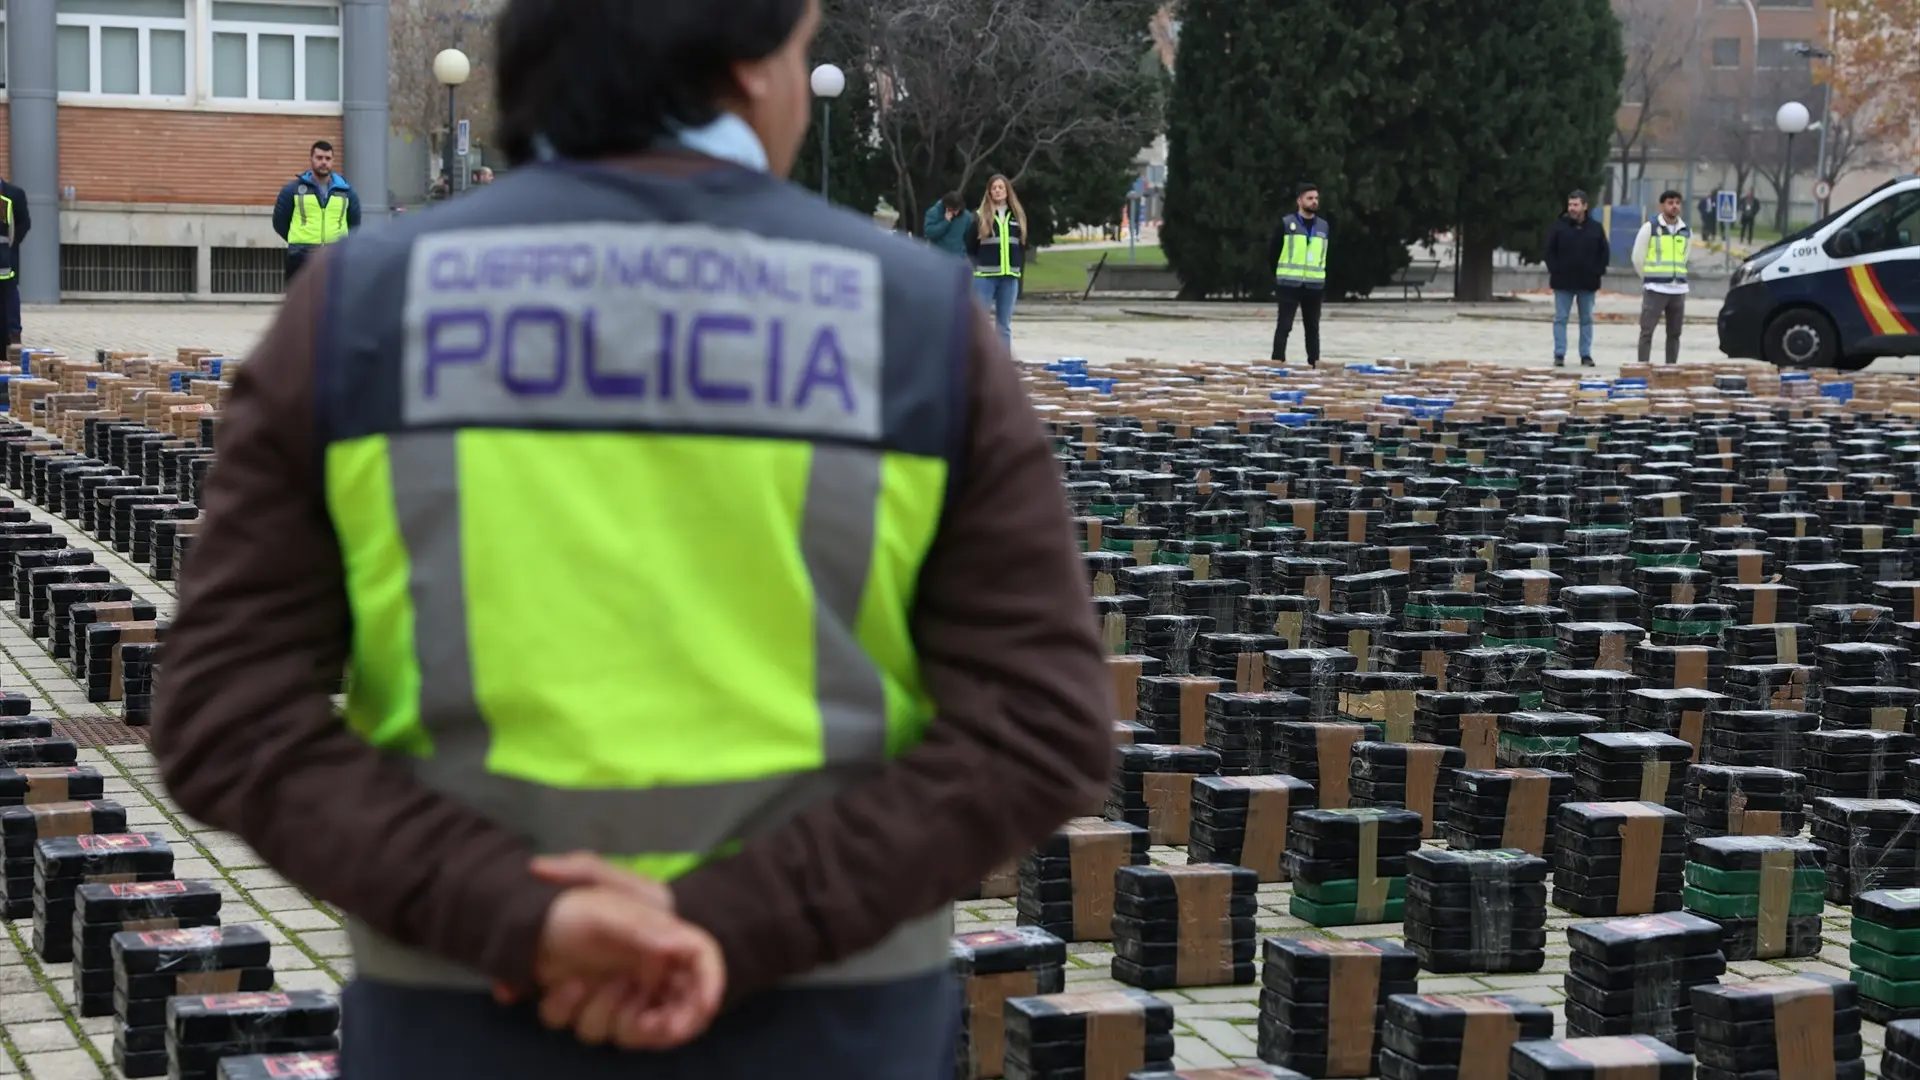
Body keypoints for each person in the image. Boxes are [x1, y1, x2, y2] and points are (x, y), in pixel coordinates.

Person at [150, 1, 1113, 1077]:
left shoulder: (363, 307)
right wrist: (729, 921)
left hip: (470, 1019)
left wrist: (522, 917)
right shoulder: (913, 317)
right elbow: (1041, 723)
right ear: (751, 71)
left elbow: (224, 716)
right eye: (805, 51)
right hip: (829, 1025)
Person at [271, 140, 360, 284]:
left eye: (327, 158)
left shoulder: (347, 192)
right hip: (300, 257)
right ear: (311, 159)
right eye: (319, 158)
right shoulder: (292, 190)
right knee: (301, 304)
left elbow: (354, 223)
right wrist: (298, 240)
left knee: (332, 304)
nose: (323, 162)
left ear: (332, 161)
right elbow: (279, 222)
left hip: (335, 257)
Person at [1543, 189, 1608, 369]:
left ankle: (1585, 354)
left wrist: (1596, 272)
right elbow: (1549, 251)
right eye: (1570, 204)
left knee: (1586, 319)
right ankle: (1559, 354)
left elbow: (1604, 253)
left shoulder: (1595, 228)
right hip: (1563, 283)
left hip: (1587, 284)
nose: (1572, 208)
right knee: (1561, 318)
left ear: (1585, 206)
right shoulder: (1558, 226)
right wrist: (1555, 270)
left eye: (1576, 205)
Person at [1267, 182, 1329, 366]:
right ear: (1299, 200)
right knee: (1284, 326)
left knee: (1312, 328)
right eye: (1310, 198)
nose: (1314, 202)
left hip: (1314, 285)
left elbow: (1328, 255)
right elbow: (1273, 252)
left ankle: (1314, 364)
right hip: (1289, 284)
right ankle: (1277, 362)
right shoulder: (1287, 224)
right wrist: (1278, 275)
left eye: (1316, 198)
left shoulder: (1323, 227)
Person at [965, 174, 1027, 348]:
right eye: (994, 188)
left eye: (1001, 187)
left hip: (1009, 278)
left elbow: (1021, 246)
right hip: (985, 278)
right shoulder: (979, 216)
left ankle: (1002, 367)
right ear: (989, 192)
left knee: (1004, 326)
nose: (998, 190)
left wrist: (1017, 272)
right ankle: (977, 366)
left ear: (1007, 191)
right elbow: (970, 246)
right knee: (980, 324)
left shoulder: (1017, 216)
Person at [1632, 189, 1691, 366]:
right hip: (1655, 289)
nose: (1674, 206)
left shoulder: (1685, 231)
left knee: (1674, 333)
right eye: (1670, 203)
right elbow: (1637, 257)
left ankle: (1670, 368)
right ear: (1662, 205)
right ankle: (1642, 368)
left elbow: (1685, 256)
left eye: (1677, 203)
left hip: (1678, 289)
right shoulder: (1650, 228)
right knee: (1647, 331)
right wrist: (1649, 277)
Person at [0, 174, 30, 347]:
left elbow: (22, 224)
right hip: (4, 257)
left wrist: (10, 246)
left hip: (5, 258)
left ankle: (13, 332)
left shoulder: (8, 198)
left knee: (9, 293)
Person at [922, 191, 972, 257]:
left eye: (957, 209)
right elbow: (929, 233)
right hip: (938, 256)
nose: (956, 213)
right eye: (953, 210)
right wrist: (945, 222)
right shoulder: (934, 212)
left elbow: (967, 237)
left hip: (958, 258)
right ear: (946, 205)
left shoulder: (967, 216)